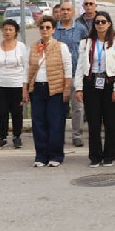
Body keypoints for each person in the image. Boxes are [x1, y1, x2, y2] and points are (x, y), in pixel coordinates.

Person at [73, 11, 115, 167]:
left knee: (110, 122)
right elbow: (80, 67)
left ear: (109, 23)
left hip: (110, 83)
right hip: (91, 83)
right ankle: (95, 156)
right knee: (94, 122)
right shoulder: (86, 43)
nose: (100, 25)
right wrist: (79, 88)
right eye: (97, 22)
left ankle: (109, 156)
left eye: (103, 21)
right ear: (93, 25)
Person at [28, 15, 72, 167]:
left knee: (55, 123)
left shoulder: (61, 46)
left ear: (53, 30)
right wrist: (25, 89)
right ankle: (41, 155)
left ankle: (55, 155)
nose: (45, 30)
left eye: (48, 27)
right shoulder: (34, 47)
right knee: (39, 123)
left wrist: (67, 88)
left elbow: (67, 68)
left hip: (55, 88)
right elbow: (28, 69)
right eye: (42, 27)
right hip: (38, 88)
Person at [0, 19, 29, 150]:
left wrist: (25, 87)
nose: (8, 32)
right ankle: (2, 137)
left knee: (16, 112)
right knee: (1, 112)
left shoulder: (21, 46)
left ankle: (17, 136)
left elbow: (26, 67)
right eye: (5, 29)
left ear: (16, 32)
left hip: (16, 84)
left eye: (11, 29)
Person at [52, 2, 88, 148]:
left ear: (73, 12)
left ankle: (77, 135)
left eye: (68, 10)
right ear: (59, 12)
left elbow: (86, 49)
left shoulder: (80, 29)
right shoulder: (54, 29)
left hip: (76, 74)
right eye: (63, 10)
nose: (65, 12)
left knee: (78, 107)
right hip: (58, 75)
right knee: (59, 107)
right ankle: (58, 135)